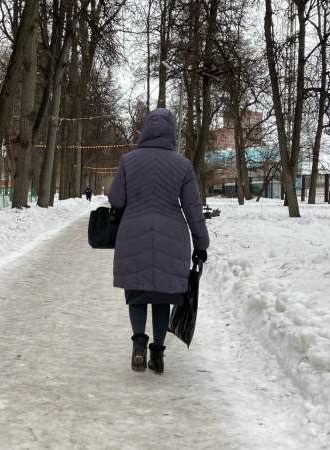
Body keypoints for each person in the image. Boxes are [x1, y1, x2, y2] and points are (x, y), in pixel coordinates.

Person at [107, 108, 209, 375]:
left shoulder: (129, 160)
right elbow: (193, 209)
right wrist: (201, 244)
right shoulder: (183, 165)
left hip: (133, 232)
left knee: (138, 293)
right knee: (163, 296)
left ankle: (139, 345)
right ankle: (159, 356)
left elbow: (116, 199)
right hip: (172, 236)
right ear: (172, 133)